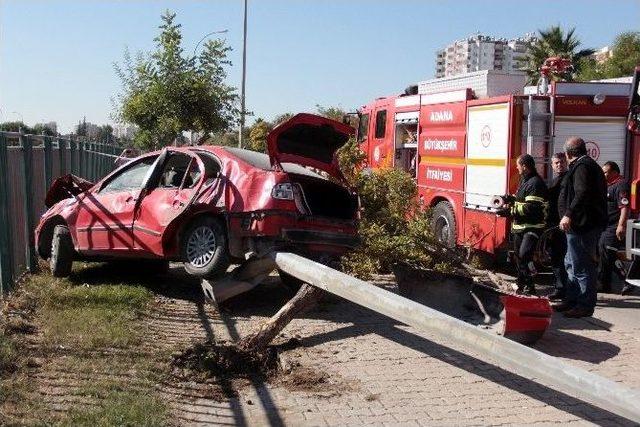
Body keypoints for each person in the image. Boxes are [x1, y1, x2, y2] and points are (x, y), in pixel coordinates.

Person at [556, 137, 607, 318]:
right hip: (577, 226)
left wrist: (568, 214)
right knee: (570, 263)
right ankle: (572, 299)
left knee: (582, 265)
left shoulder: (583, 167)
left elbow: (582, 192)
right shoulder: (583, 165)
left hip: (583, 225)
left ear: (569, 153)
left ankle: (585, 305)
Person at [506, 154, 549, 295]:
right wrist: (510, 199)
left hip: (532, 227)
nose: (517, 168)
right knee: (518, 256)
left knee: (525, 255)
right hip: (520, 227)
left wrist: (510, 211)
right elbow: (522, 200)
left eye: (518, 165)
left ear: (524, 166)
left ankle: (530, 284)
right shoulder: (525, 181)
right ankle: (522, 283)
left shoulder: (535, 183)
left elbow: (531, 207)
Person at [597, 161, 632, 294]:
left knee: (606, 250)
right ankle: (608, 283)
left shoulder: (621, 185)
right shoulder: (608, 185)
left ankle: (625, 280)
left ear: (614, 172)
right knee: (606, 253)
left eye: (605, 172)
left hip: (614, 226)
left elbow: (624, 207)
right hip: (605, 225)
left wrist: (621, 225)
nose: (603, 174)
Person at [546, 153, 568, 301]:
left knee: (560, 257)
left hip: (564, 225)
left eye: (561, 162)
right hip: (553, 225)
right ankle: (560, 287)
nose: (559, 165)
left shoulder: (568, 179)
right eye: (556, 163)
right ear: (552, 166)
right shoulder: (554, 181)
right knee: (555, 256)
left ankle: (562, 289)